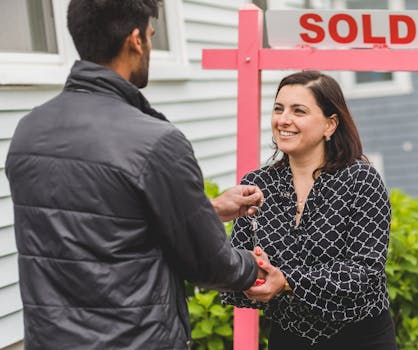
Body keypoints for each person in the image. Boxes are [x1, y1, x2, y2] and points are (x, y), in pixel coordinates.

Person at [5, 1, 264, 349]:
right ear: (136, 40)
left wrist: (208, 208)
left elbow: (95, 220)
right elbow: (207, 264)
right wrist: (253, 268)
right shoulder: (155, 142)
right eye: (152, 36)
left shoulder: (28, 132)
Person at [221, 70, 397, 349]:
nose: (283, 120)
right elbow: (236, 264)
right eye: (278, 109)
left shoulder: (361, 180)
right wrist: (254, 273)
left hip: (361, 338)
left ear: (330, 124)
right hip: (288, 338)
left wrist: (287, 280)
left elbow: (364, 271)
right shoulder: (255, 185)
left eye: (298, 111)